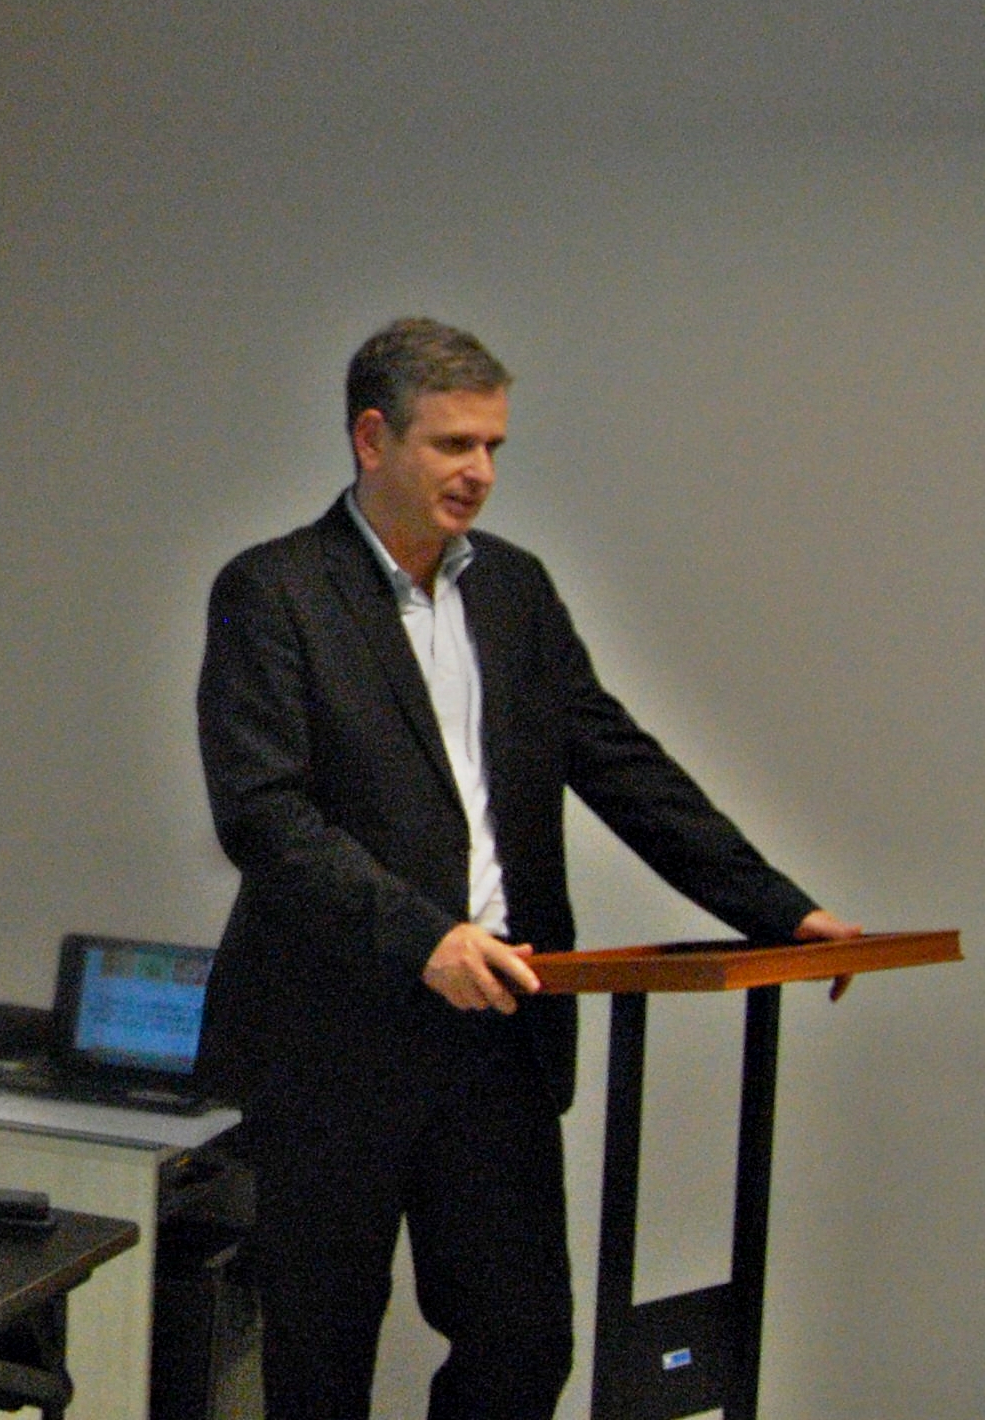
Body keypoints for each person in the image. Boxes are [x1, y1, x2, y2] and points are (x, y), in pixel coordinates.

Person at [193, 318, 858, 1420]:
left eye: (493, 446)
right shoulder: (275, 591)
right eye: (453, 444)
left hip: (499, 1030)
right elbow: (264, 816)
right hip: (330, 1040)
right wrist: (424, 937)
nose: (481, 472)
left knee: (525, 1341)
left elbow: (621, 765)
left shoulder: (514, 591)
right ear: (372, 437)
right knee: (319, 1367)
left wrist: (782, 910)